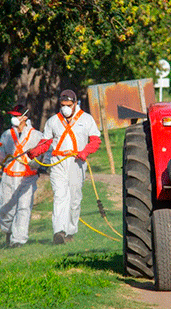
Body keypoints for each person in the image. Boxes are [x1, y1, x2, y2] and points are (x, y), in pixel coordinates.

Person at [27, 89, 101, 245]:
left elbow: (95, 141)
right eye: (62, 105)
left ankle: (71, 231)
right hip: (58, 161)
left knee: (74, 199)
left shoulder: (86, 119)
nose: (65, 108)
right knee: (60, 196)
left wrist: (85, 152)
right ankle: (59, 232)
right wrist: (35, 152)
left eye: (68, 104)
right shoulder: (53, 121)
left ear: (75, 104)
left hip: (77, 162)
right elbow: (46, 143)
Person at [0, 105, 43, 248]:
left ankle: (18, 240)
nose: (13, 118)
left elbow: (42, 155)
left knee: (24, 208)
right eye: (12, 115)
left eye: (17, 115)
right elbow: (2, 157)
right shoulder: (7, 135)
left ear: (25, 117)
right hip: (9, 177)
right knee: (6, 209)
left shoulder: (36, 135)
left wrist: (37, 164)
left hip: (27, 178)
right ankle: (9, 231)